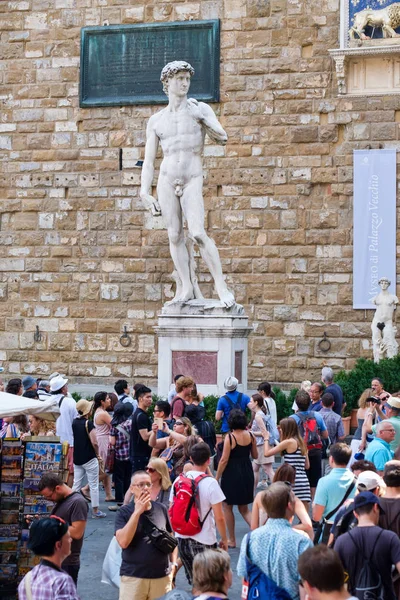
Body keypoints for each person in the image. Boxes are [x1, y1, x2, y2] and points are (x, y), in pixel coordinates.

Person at [140, 60, 234, 307]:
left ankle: (221, 286)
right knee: (174, 235)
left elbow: (223, 137)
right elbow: (149, 162)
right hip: (166, 179)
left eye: (187, 79)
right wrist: (144, 192)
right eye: (179, 79)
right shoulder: (157, 120)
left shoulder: (199, 108)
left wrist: (203, 118)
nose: (184, 83)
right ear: (167, 82)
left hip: (192, 177)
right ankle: (186, 287)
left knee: (198, 233)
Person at [237, 482, 313, 600]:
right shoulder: (302, 542)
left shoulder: (249, 539)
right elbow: (307, 588)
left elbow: (245, 579)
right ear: (289, 505)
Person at [170, 442, 228, 585]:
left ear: (191, 458)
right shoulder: (210, 483)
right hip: (204, 539)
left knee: (195, 582)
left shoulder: (179, 480)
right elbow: (219, 517)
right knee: (209, 583)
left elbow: (171, 507)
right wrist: (224, 539)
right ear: (208, 460)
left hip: (182, 538)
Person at [116, 470, 176, 600]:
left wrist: (174, 566)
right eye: (141, 485)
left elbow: (172, 541)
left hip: (161, 577)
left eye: (149, 484)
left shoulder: (161, 509)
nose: (146, 488)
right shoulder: (124, 512)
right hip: (133, 577)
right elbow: (123, 542)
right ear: (132, 489)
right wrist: (137, 512)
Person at [335, 491, 400, 600]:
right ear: (375, 507)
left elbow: (334, 579)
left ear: (355, 513)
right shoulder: (390, 538)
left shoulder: (342, 541)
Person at [215, 409, 257, 547]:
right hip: (247, 471)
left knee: (227, 506)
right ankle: (259, 533)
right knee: (244, 508)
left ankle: (232, 539)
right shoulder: (251, 435)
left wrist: (217, 477)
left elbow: (224, 460)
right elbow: (255, 456)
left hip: (232, 473)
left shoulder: (230, 437)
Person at [38, 472, 88, 584]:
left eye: (50, 496)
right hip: (54, 558)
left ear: (57, 488)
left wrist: (49, 525)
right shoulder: (62, 500)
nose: (49, 499)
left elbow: (77, 532)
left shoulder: (78, 502)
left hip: (67, 562)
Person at [18, 516, 79, 600]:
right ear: (58, 545)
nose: (71, 540)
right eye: (68, 537)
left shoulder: (27, 579)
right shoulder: (62, 581)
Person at [251, 464, 313, 540]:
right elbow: (307, 525)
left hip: (263, 537)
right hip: (283, 538)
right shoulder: (293, 499)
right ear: (292, 480)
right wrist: (290, 528)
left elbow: (254, 526)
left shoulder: (260, 496)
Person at [264, 417, 311, 512]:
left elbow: (267, 453)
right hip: (303, 481)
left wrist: (266, 439)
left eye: (281, 428)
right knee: (303, 514)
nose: (280, 430)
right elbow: (307, 466)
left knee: (286, 511)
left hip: (291, 479)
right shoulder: (302, 443)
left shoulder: (288, 442)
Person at [328, 469, 384, 548]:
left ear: (357, 488)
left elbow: (333, 537)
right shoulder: (381, 510)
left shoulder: (346, 508)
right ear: (377, 490)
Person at [290, 389, 328, 500]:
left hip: (299, 452)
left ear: (296, 404)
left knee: (300, 477)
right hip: (315, 451)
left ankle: (300, 502)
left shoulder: (293, 419)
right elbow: (325, 435)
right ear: (309, 402)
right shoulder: (317, 416)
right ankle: (314, 503)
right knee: (314, 480)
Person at [313, 443, 355, 542]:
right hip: (351, 530)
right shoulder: (357, 481)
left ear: (331, 459)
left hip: (329, 530)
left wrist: (314, 505)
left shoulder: (324, 481)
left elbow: (316, 516)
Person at [71, 399, 106, 518]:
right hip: (89, 457)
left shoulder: (74, 422)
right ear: (88, 410)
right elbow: (94, 442)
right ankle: (95, 511)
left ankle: (71, 507)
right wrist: (97, 453)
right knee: (93, 484)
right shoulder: (88, 423)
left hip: (77, 456)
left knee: (76, 484)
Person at [109, 402, 134, 511]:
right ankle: (127, 500)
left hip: (119, 455)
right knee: (128, 477)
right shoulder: (130, 423)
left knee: (119, 479)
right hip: (130, 454)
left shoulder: (114, 425)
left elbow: (112, 442)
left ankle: (119, 501)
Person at [52, 375, 77, 486]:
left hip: (52, 440)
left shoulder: (47, 401)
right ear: (63, 389)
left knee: (53, 470)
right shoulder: (70, 402)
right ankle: (67, 494)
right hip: (68, 440)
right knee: (69, 471)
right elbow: (76, 421)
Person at [249, 393, 278, 487]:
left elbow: (264, 433)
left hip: (262, 445)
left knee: (268, 470)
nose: (249, 403)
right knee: (255, 468)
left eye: (251, 401)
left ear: (256, 403)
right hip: (261, 445)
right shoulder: (261, 413)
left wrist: (251, 433)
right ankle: (252, 493)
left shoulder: (258, 416)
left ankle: (277, 489)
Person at [371, 277, 399, 362]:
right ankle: (377, 363)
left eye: (385, 283)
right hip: (377, 321)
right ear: (379, 284)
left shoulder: (393, 297)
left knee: (389, 342)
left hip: (387, 322)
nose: (383, 285)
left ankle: (391, 364)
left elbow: (397, 311)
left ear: (388, 284)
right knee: (377, 343)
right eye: (382, 283)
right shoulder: (376, 298)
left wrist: (395, 323)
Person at [93, 391, 114, 502]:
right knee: (106, 469)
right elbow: (114, 425)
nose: (109, 400)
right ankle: (86, 488)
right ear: (102, 401)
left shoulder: (99, 412)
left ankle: (108, 494)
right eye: (107, 398)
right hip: (104, 441)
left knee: (105, 468)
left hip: (102, 439)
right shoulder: (103, 414)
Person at [320, 392, 345, 473]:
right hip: (330, 449)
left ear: (321, 403)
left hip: (316, 449)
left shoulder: (315, 415)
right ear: (333, 403)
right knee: (328, 471)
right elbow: (341, 436)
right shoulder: (337, 417)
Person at [130, 385, 153, 473]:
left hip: (138, 454)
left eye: (150, 397)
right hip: (140, 455)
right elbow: (145, 436)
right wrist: (156, 429)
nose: (150, 399)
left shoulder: (140, 413)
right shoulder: (141, 416)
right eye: (147, 397)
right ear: (140, 399)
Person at [348, 388, 373, 466]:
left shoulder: (359, 410)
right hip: (364, 439)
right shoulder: (371, 411)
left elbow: (359, 425)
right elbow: (365, 426)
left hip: (356, 437)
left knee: (352, 462)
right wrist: (364, 440)